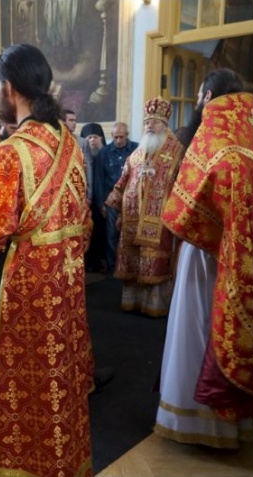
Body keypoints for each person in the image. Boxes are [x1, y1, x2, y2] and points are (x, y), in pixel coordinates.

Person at [0, 43, 93, 477]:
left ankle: (8, 465)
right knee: (56, 379)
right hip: (65, 284)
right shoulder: (69, 145)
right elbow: (84, 221)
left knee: (16, 381)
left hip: (20, 289)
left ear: (9, 88)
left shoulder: (10, 153)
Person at [155, 68, 253, 448]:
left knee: (196, 325)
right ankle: (230, 423)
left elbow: (184, 205)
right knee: (216, 326)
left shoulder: (214, 135)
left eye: (201, 95)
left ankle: (193, 419)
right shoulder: (249, 139)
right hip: (235, 254)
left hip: (203, 252)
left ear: (208, 96)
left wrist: (177, 221)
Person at [104, 98, 184, 317]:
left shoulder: (176, 151)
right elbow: (124, 179)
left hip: (159, 218)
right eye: (147, 122)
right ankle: (133, 302)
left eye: (155, 122)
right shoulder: (138, 152)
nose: (149, 126)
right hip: (132, 216)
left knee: (154, 260)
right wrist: (116, 207)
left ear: (164, 125)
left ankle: (155, 304)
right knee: (133, 260)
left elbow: (183, 185)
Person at [93, 122, 137, 276]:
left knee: (130, 233)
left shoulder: (136, 149)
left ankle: (129, 268)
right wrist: (100, 204)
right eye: (115, 137)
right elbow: (99, 179)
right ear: (111, 136)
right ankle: (112, 268)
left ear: (127, 135)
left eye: (121, 137)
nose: (118, 140)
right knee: (112, 234)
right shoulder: (104, 153)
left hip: (131, 200)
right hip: (111, 200)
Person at [80, 122, 106, 271]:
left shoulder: (106, 154)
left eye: (95, 137)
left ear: (101, 139)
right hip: (87, 200)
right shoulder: (81, 154)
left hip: (103, 200)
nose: (92, 140)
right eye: (89, 137)